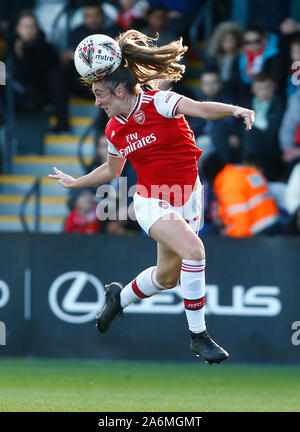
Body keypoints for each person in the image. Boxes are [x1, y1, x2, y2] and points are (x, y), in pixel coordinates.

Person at [49, 30, 255, 365]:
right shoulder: (114, 128)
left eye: (100, 94)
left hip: (189, 197)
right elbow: (112, 171)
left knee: (168, 277)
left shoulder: (161, 103)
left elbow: (201, 109)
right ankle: (198, 336)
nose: (97, 102)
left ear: (120, 90)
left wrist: (236, 110)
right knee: (194, 250)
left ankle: (119, 298)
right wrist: (76, 183)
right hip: (150, 200)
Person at [202, 153, 280, 237]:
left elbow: (241, 228)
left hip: (260, 234)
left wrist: (226, 237)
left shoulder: (229, 185)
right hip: (276, 224)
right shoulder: (246, 171)